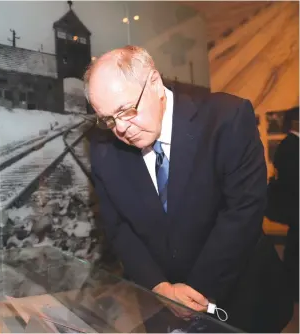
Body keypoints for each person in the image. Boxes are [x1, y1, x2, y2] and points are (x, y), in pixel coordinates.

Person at [86, 45, 293, 332]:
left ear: (155, 83)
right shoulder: (103, 150)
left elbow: (243, 211)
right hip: (162, 303)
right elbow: (119, 227)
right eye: (108, 119)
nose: (120, 128)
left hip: (243, 300)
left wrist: (196, 289)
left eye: (126, 110)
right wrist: (158, 286)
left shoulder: (227, 118)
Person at [267, 106, 299, 302]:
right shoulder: (291, 145)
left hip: (293, 206)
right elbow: (292, 179)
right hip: (294, 207)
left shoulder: (291, 144)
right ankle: (293, 289)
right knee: (295, 249)